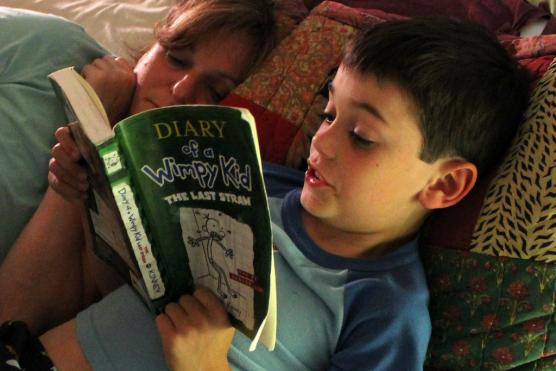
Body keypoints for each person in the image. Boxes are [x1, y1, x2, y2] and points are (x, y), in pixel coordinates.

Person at [4, 16, 530, 371]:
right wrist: (87, 194)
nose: (320, 142)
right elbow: (118, 290)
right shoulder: (252, 180)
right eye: (327, 114)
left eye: (361, 135)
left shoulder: (386, 309)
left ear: (444, 183)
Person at [0, 0, 277, 353]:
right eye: (175, 58)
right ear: (150, 47)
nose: (181, 89)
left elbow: (10, 318)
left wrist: (97, 136)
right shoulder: (58, 45)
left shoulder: (172, 217)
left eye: (216, 91)